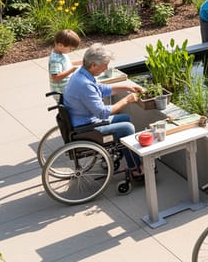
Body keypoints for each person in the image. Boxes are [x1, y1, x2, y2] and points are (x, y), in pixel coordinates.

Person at [62, 43, 146, 178]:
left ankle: (127, 157)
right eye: (104, 65)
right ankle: (136, 169)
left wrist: (127, 87)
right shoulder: (84, 85)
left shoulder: (81, 73)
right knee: (127, 128)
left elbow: (101, 89)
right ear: (94, 64)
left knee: (125, 118)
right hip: (87, 128)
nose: (106, 68)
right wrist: (126, 100)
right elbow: (102, 113)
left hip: (81, 120)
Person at [48, 29, 82, 100]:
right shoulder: (55, 60)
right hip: (62, 93)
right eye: (70, 49)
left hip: (67, 90)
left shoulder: (61, 53)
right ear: (60, 45)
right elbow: (55, 77)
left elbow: (66, 64)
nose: (71, 51)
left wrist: (82, 62)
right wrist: (72, 70)